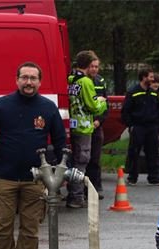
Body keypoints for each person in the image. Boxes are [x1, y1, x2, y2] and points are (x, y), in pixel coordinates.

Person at [0, 61, 66, 249]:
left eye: (33, 78)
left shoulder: (48, 108)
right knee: (3, 225)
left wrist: (61, 170)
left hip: (35, 178)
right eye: (24, 78)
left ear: (40, 81)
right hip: (6, 176)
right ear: (17, 80)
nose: (28, 82)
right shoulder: (3, 105)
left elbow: (59, 140)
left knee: (30, 227)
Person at [67, 50, 107, 208]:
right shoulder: (86, 81)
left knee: (73, 160)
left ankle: (73, 193)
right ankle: (76, 197)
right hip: (84, 126)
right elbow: (93, 106)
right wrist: (102, 101)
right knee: (82, 161)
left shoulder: (71, 79)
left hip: (73, 123)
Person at [122, 66, 159, 185]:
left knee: (153, 152)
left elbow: (158, 110)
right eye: (150, 77)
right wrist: (130, 125)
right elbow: (126, 111)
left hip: (151, 127)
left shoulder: (154, 94)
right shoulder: (133, 92)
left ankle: (154, 178)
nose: (152, 79)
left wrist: (158, 124)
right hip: (138, 126)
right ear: (144, 77)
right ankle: (132, 177)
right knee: (134, 152)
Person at [85, 56, 108, 200]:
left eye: (96, 66)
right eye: (92, 66)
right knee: (82, 159)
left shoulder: (100, 81)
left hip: (96, 126)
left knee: (95, 158)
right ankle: (81, 188)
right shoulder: (81, 81)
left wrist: (99, 120)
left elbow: (105, 104)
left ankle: (96, 187)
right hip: (83, 125)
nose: (94, 69)